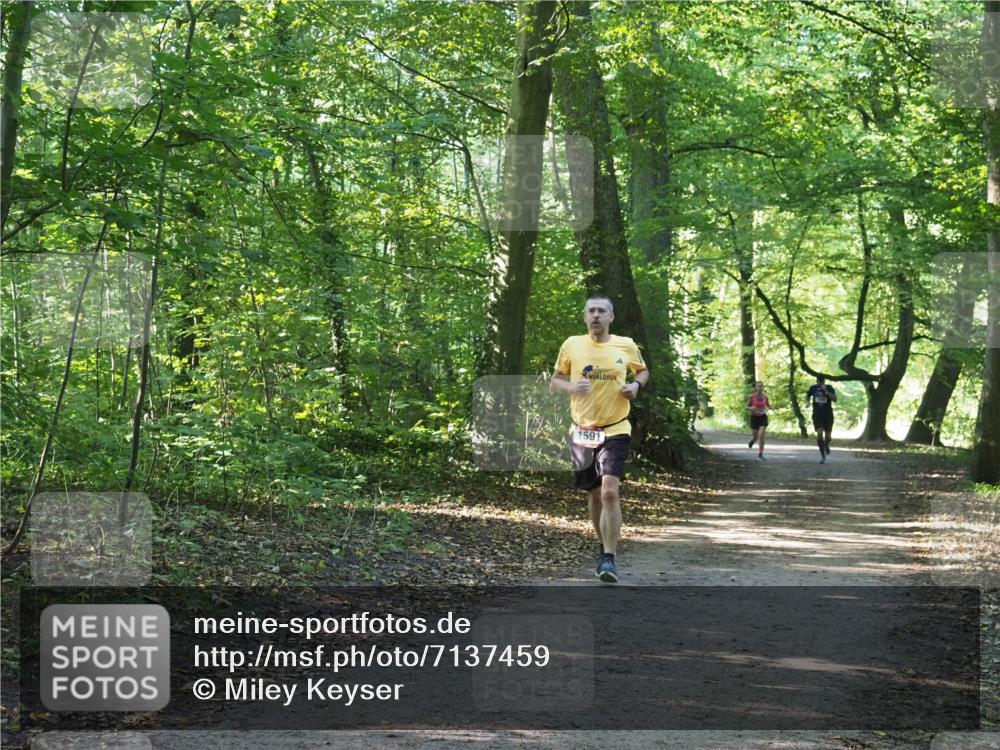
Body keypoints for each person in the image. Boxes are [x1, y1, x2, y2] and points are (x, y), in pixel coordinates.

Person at [550, 294, 649, 584]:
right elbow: (554, 381)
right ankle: (602, 545)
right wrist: (571, 387)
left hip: (615, 428)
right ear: (585, 317)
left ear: (611, 317)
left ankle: (609, 557)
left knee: (609, 492)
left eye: (601, 311)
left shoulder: (626, 345)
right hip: (582, 430)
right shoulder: (572, 345)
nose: (596, 315)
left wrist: (635, 385)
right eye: (591, 311)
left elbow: (643, 371)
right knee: (594, 494)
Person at [805, 376, 837, 463]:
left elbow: (835, 399)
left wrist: (826, 391)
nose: (820, 383)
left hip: (828, 414)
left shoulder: (829, 387)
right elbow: (807, 396)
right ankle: (823, 456)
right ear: (817, 381)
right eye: (819, 382)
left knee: (828, 436)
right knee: (819, 433)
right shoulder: (813, 388)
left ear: (824, 381)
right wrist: (807, 402)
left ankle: (826, 445)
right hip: (817, 414)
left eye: (822, 382)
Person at [746, 380, 769, 461]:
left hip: (763, 417)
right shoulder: (751, 397)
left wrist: (771, 407)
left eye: (761, 386)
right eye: (758, 386)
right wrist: (751, 408)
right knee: (755, 437)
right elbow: (746, 406)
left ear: (763, 387)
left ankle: (760, 454)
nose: (760, 388)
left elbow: (768, 405)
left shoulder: (765, 397)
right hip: (754, 418)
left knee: (761, 435)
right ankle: (753, 440)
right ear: (755, 387)